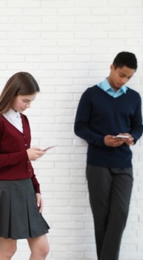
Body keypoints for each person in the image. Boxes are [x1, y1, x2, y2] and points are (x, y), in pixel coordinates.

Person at [74, 51, 143, 260]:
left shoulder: (133, 97)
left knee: (119, 215)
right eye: (122, 74)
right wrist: (101, 140)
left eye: (129, 77)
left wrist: (132, 137)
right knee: (101, 217)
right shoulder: (91, 95)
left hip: (123, 163)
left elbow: (139, 126)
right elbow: (80, 127)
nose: (124, 80)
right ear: (112, 67)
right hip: (97, 164)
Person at [0, 72, 50, 260]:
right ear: (12, 94)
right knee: (8, 250)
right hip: (6, 189)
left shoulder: (23, 120)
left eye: (31, 102)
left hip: (25, 187)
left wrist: (36, 188)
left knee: (42, 248)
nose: (28, 106)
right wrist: (24, 155)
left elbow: (25, 161)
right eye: (25, 100)